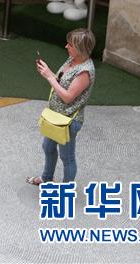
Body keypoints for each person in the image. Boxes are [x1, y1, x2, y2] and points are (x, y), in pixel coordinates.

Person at [27, 28, 96, 185]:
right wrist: (48, 72)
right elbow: (60, 81)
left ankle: (66, 190)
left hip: (68, 121)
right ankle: (46, 178)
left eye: (70, 44)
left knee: (67, 157)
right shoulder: (72, 60)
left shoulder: (84, 72)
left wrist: (49, 77)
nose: (66, 46)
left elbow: (67, 97)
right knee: (48, 147)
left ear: (79, 48)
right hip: (56, 116)